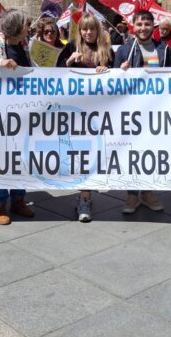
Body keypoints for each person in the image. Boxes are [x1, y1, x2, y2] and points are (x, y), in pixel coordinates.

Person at [114, 10, 171, 214]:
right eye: (139, 24)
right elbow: (113, 82)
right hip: (132, 112)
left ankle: (147, 192)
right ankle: (131, 195)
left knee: (151, 152)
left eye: (147, 24)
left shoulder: (164, 50)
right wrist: (121, 70)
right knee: (131, 153)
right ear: (132, 27)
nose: (143, 28)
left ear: (153, 26)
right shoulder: (124, 51)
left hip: (155, 110)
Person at [58, 13, 114, 222]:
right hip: (75, 113)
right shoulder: (71, 47)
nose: (88, 33)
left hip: (98, 113)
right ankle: (84, 197)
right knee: (80, 155)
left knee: (92, 155)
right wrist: (68, 63)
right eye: (84, 29)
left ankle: (85, 197)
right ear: (79, 31)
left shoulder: (106, 50)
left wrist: (107, 71)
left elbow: (116, 81)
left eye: (91, 29)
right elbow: (53, 76)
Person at [0, 9, 36, 225]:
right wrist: (0, 64)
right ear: (16, 27)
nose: (29, 28)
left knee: (20, 157)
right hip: (1, 113)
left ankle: (18, 199)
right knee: (1, 158)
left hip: (23, 112)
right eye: (26, 25)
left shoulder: (24, 44)